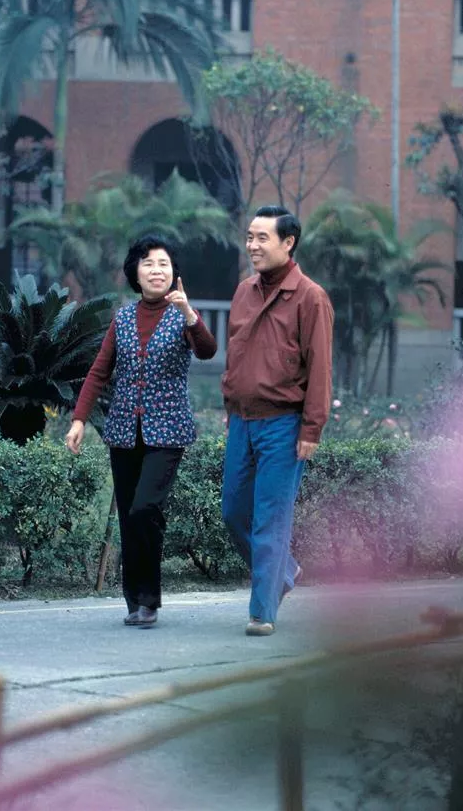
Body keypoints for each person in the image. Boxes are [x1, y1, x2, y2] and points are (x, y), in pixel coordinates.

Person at [66, 235, 217, 628]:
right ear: (136, 272)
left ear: (173, 273)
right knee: (130, 517)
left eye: (163, 264)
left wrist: (189, 313)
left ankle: (149, 598)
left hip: (168, 431)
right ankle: (136, 602)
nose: (156, 270)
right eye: (148, 263)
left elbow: (208, 350)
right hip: (123, 431)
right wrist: (79, 419)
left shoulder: (183, 314)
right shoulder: (123, 318)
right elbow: (99, 371)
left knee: (145, 508)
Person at [221, 205, 333, 637]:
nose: (252, 245)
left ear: (288, 243)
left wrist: (312, 428)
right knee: (233, 511)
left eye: (262, 238)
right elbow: (236, 354)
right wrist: (231, 406)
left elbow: (320, 368)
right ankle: (284, 571)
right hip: (242, 420)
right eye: (250, 237)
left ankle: (262, 612)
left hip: (284, 424)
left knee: (270, 519)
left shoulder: (310, 297)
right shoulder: (243, 291)